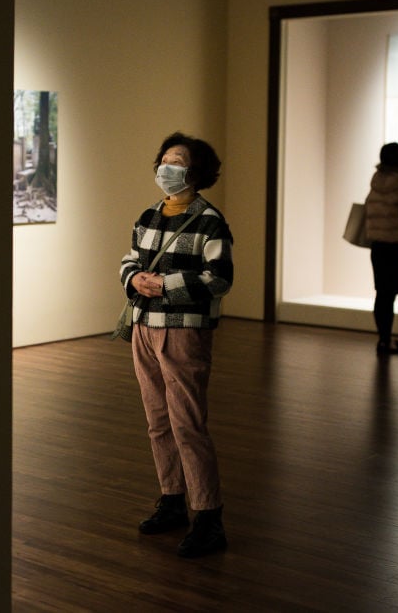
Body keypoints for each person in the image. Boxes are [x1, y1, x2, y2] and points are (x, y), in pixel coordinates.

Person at [119, 131, 233, 558]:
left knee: (188, 423)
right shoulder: (148, 215)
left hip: (184, 330)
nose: (167, 167)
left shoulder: (210, 221)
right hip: (144, 328)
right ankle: (172, 500)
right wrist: (134, 279)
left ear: (196, 171)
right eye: (164, 159)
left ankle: (208, 516)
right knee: (157, 421)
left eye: (178, 160)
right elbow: (129, 259)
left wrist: (162, 284)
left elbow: (219, 279)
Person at [364, 142, 398, 357]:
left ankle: (383, 339)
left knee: (381, 294)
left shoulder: (375, 183)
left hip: (377, 246)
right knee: (390, 295)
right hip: (396, 246)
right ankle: (385, 341)